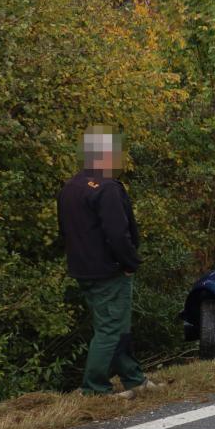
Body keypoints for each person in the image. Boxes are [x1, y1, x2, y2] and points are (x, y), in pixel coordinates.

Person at [57, 126, 162, 399]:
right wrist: (129, 263)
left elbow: (64, 231)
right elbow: (117, 233)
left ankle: (134, 379)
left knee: (117, 326)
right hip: (108, 270)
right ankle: (94, 389)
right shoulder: (107, 188)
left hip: (82, 269)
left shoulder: (70, 187)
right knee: (110, 329)